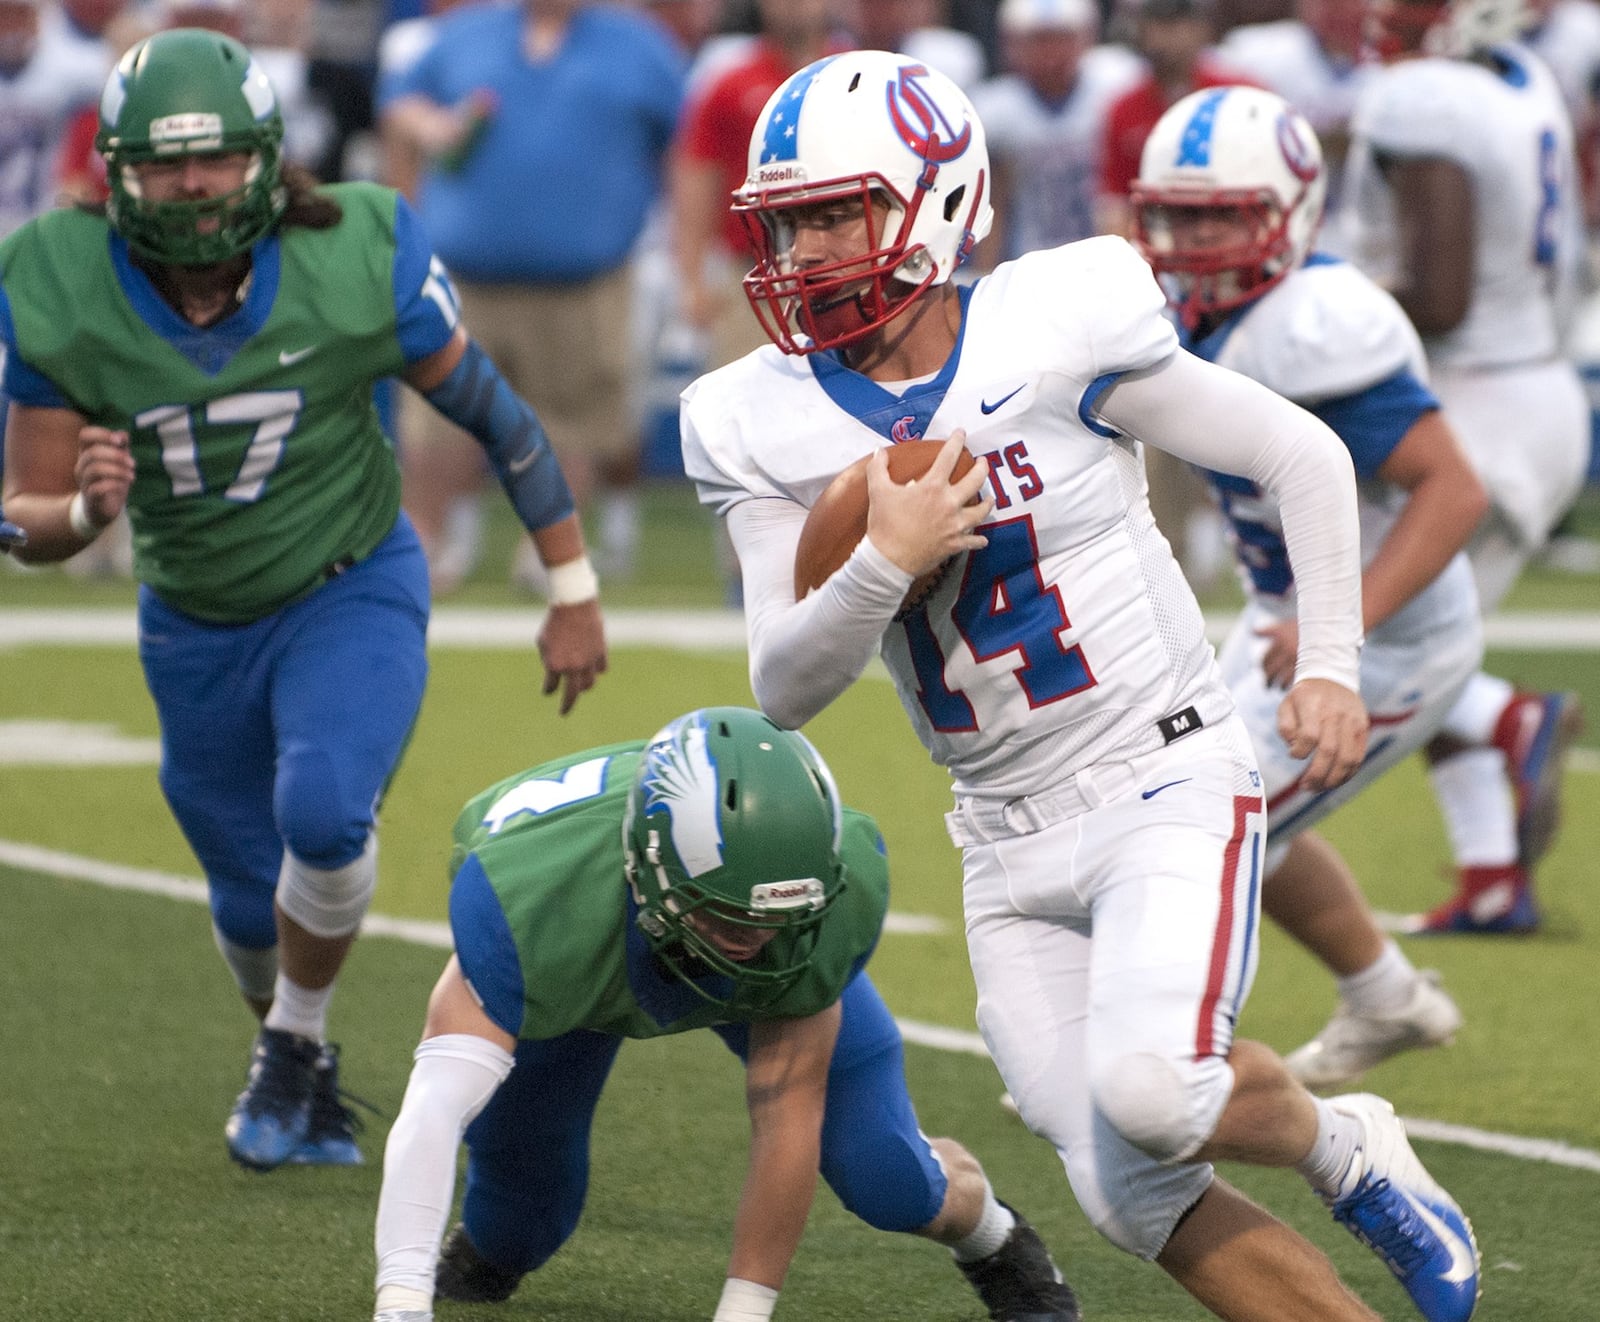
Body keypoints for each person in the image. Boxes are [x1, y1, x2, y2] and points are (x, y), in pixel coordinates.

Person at [682, 49, 1481, 1322]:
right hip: (998, 840)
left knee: (1155, 1092)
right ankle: (1346, 1200)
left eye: (840, 209)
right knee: (1130, 1192)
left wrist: (1328, 662)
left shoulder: (1053, 320)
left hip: (1160, 770)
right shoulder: (751, 414)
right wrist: (880, 564)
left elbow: (1301, 453)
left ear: (939, 198)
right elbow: (782, 684)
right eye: (790, 219)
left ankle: (1346, 1142)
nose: (809, 246)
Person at [0, 28, 607, 1171]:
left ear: (268, 160)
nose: (194, 186)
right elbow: (21, 509)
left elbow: (495, 414)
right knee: (245, 902)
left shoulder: (355, 249)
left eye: (220, 160)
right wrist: (84, 515)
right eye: (169, 164)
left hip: (350, 581)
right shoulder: (57, 276)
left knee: (324, 812)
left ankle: (292, 1045)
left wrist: (570, 582)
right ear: (117, 170)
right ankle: (300, 1059)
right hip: (191, 618)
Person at [371, 707, 1082, 1322]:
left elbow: (786, 1119)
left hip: (701, 956)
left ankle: (994, 1236)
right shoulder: (530, 896)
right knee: (515, 1225)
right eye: (729, 915)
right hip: (587, 959)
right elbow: (435, 1107)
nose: (758, 938)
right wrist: (400, 1301)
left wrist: (743, 1312)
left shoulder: (802, 920)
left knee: (889, 1180)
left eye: (776, 914)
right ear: (650, 870)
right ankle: (489, 1243)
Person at [1130, 86, 1485, 1088]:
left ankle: (1167, 1056)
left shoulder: (1317, 324)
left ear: (1288, 210)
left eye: (1219, 214)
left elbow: (1455, 492)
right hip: (1284, 613)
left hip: (1390, 636)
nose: (1193, 238)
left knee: (1204, 824)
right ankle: (1383, 994)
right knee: (1227, 808)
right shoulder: (1202, 306)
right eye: (1179, 212)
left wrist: (1343, 626)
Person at [1344, 0, 1590, 934]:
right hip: (1532, 389)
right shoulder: (1520, 79)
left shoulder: (1425, 99)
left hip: (1473, 403)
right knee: (1435, 632)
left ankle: (1507, 720)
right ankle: (1493, 877)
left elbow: (1440, 297)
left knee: (1368, 630)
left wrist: (1325, 298)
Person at [378, 0, 685, 595]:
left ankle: (549, 555)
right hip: (467, 275)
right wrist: (429, 129)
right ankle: (424, 546)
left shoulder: (639, 47)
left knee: (571, 423)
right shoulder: (462, 37)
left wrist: (673, 242)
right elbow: (399, 105)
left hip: (585, 278)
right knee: (441, 417)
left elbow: (684, 142)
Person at [969, 0, 1144, 264]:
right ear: (1013, 44)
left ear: (1087, 37)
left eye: (1061, 39)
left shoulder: (1114, 90)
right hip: (1028, 261)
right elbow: (995, 206)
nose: (1051, 53)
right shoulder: (996, 108)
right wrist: (985, 272)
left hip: (1101, 257)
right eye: (1039, 41)